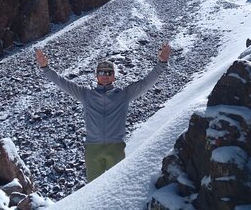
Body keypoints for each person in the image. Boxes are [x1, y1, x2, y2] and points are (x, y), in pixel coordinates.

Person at [35, 42, 171, 182]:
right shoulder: (86, 94)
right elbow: (63, 83)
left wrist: (162, 62)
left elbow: (146, 82)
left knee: (118, 187)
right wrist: (45, 68)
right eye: (101, 72)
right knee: (93, 190)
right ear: (96, 76)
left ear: (114, 76)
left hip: (116, 147)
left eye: (108, 72)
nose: (105, 75)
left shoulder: (123, 94)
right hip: (93, 149)